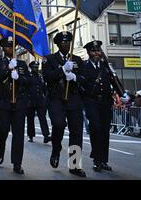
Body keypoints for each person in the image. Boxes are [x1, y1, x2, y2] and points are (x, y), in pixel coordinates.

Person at [42, 31, 86, 177]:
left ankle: (74, 165)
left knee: (76, 132)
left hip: (73, 99)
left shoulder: (77, 59)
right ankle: (56, 149)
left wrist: (75, 77)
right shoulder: (49, 59)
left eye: (68, 42)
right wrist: (62, 69)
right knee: (59, 125)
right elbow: (47, 77)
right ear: (57, 44)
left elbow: (85, 79)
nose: (66, 45)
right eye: (63, 42)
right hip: (56, 99)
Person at [0, 36, 31, 175]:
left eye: (12, 46)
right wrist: (7, 69)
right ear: (3, 48)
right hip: (2, 102)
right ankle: (1, 147)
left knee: (18, 133)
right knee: (3, 129)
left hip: (19, 102)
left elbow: (29, 81)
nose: (10, 49)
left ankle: (17, 163)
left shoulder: (22, 64)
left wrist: (18, 78)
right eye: (8, 46)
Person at [82, 40, 115, 173]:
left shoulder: (106, 66)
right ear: (88, 52)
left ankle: (104, 160)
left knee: (105, 131)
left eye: (98, 51)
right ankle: (96, 159)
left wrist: (122, 94)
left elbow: (114, 80)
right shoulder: (84, 66)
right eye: (93, 51)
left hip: (105, 102)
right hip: (91, 101)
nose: (96, 53)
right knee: (95, 128)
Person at [26, 61, 51, 143]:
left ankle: (46, 135)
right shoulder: (28, 76)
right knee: (30, 119)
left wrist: (45, 99)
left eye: (37, 67)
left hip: (40, 101)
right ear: (31, 67)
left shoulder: (40, 76)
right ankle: (30, 135)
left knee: (42, 118)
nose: (36, 68)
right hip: (30, 100)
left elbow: (44, 89)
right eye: (34, 67)